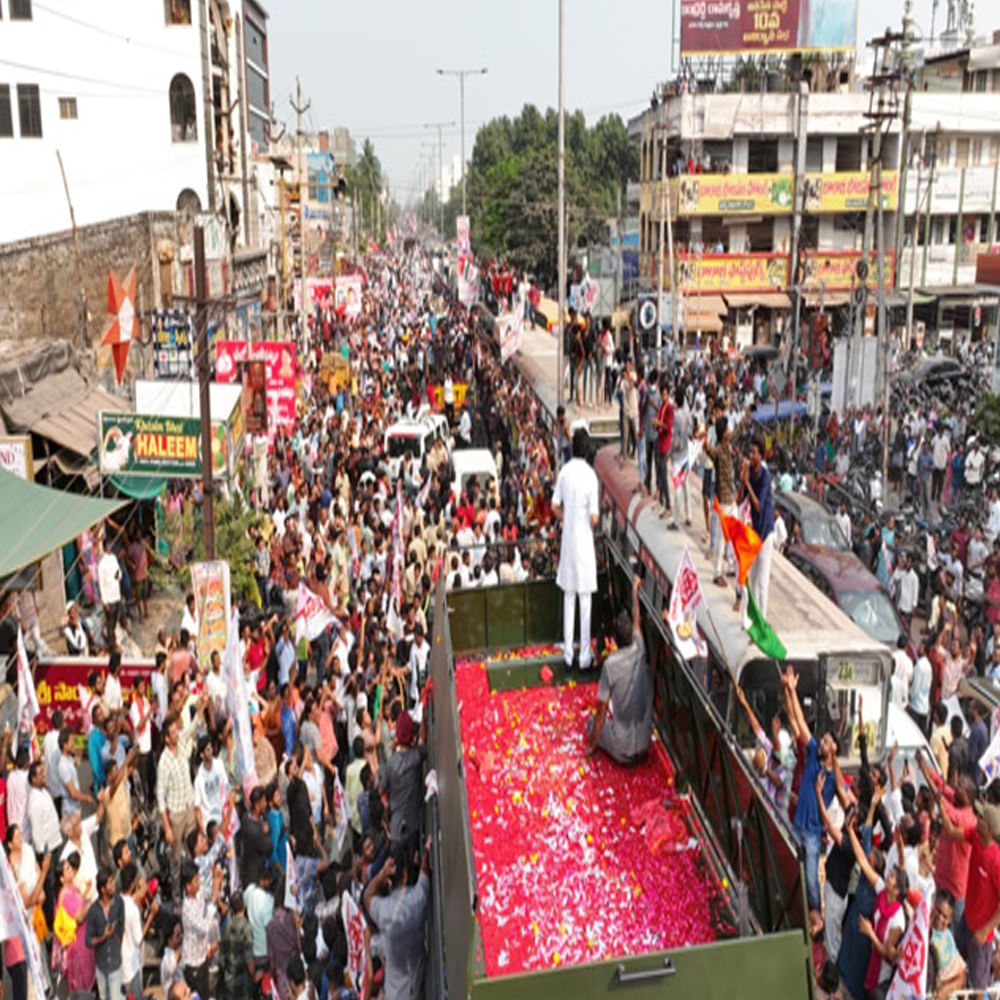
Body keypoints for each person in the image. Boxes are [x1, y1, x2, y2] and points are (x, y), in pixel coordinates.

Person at [783, 665, 838, 922]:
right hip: (798, 825)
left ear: (833, 749)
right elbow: (800, 721)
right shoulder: (813, 752)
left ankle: (815, 914)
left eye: (827, 741)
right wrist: (791, 691)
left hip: (813, 834)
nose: (822, 742)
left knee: (811, 879)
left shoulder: (833, 776)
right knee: (795, 870)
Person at [586, 575, 652, 765]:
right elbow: (637, 622)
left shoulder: (611, 665)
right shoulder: (640, 648)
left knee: (591, 723)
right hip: (644, 743)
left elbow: (600, 716)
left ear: (614, 641)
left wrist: (591, 748)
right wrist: (634, 593)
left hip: (622, 749)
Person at [552, 428, 599, 670]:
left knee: (569, 598)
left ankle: (568, 653)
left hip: (568, 543)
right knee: (585, 601)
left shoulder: (565, 472)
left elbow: (554, 506)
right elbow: (594, 519)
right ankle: (584, 657)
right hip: (584, 545)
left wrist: (566, 519)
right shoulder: (591, 476)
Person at [942, 797, 1000, 993]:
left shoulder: (996, 861)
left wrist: (985, 931)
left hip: (980, 935)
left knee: (978, 987)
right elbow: (951, 832)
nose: (977, 818)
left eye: (981, 817)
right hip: (966, 922)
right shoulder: (975, 836)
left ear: (989, 828)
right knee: (954, 965)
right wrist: (941, 804)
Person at [363, 838, 431, 1000]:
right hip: (415, 989)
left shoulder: (383, 911)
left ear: (388, 880)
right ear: (406, 876)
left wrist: (381, 874)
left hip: (394, 993)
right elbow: (424, 874)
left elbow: (367, 897)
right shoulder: (418, 899)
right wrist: (426, 852)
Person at [739, 436, 775, 618]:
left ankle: (762, 620)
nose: (750, 456)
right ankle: (748, 616)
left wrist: (747, 484)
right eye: (749, 453)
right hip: (755, 531)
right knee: (750, 578)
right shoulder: (750, 475)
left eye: (754, 453)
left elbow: (759, 506)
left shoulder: (764, 477)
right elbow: (740, 500)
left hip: (766, 533)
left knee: (762, 581)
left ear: (761, 456)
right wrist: (741, 481)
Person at [85, 866, 126, 1000]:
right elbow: (88, 940)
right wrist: (103, 937)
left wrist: (116, 948)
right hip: (101, 966)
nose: (113, 885)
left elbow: (121, 929)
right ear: (102, 889)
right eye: (109, 883)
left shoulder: (119, 903)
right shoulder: (93, 911)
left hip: (115, 963)